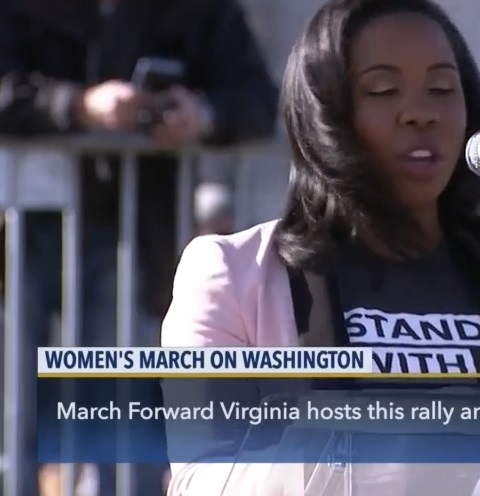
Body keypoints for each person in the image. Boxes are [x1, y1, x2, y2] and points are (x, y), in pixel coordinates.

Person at [160, 0, 480, 494]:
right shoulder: (231, 275)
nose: (420, 112)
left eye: (442, 89)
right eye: (383, 90)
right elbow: (199, 479)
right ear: (326, 116)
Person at [0, 0, 278, 494]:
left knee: (123, 410)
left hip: (136, 231)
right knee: (16, 397)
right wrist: (78, 106)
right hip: (21, 222)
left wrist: (202, 115)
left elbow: (256, 99)